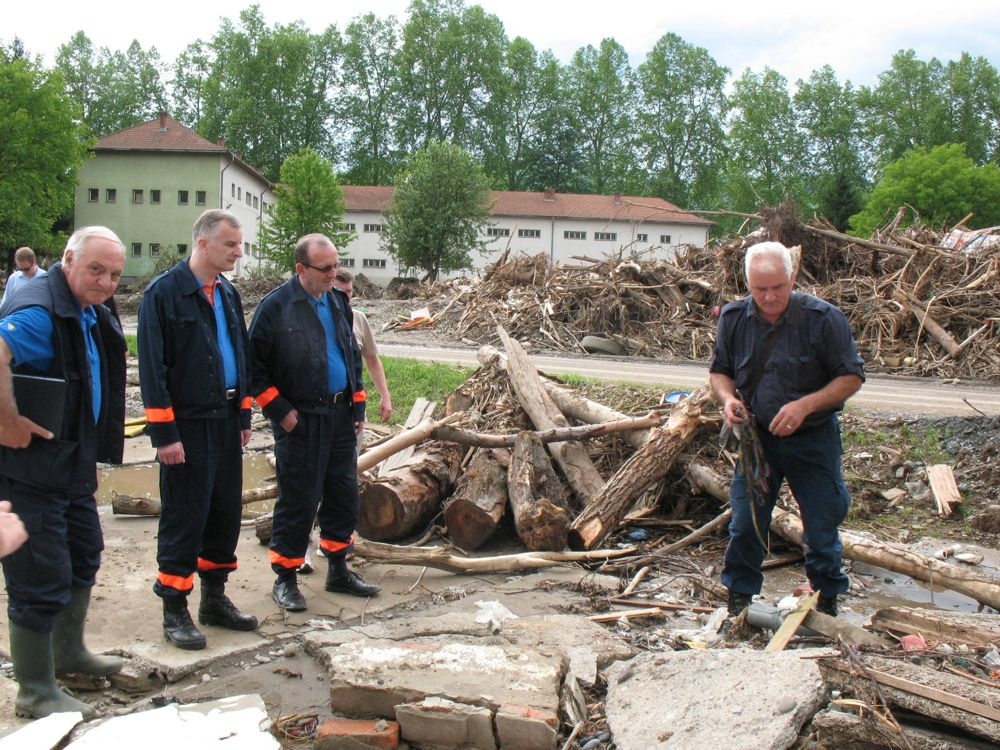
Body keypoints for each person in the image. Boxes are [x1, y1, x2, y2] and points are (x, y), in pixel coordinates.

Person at [0, 227, 127, 720]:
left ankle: (69, 655)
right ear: (69, 259)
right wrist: (6, 420)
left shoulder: (84, 306)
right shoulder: (38, 308)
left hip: (69, 461)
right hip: (30, 470)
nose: (106, 281)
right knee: (39, 573)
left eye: (114, 274)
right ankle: (34, 689)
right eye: (96, 269)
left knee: (82, 553)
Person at [709, 241, 864, 622]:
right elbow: (719, 372)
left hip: (812, 441)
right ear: (747, 283)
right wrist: (728, 400)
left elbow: (852, 377)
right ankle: (740, 601)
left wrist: (805, 405)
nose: (769, 296)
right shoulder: (733, 319)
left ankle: (827, 599)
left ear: (791, 277)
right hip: (757, 441)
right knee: (745, 524)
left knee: (821, 523)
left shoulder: (824, 319)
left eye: (778, 287)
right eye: (760, 289)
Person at [138, 209, 258, 650]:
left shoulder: (227, 293)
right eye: (230, 244)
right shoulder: (165, 294)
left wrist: (243, 418)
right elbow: (153, 370)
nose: (238, 252)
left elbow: (240, 358)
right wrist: (165, 435)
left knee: (224, 512)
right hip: (186, 425)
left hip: (226, 422)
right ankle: (175, 607)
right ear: (203, 243)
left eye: (239, 244)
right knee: (185, 515)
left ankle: (214, 599)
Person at [249, 233, 380, 612]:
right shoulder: (276, 307)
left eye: (336, 265)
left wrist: (357, 408)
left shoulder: (338, 302)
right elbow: (253, 367)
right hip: (301, 420)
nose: (333, 274)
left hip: (339, 418)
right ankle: (286, 578)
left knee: (342, 495)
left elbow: (352, 359)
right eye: (325, 268)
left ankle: (338, 569)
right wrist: (281, 411)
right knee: (299, 500)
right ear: (300, 269)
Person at [333, 269, 393, 425]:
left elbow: (372, 361)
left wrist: (385, 397)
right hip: (326, 408)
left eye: (349, 291)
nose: (345, 296)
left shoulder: (358, 319)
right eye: (340, 291)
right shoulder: (320, 319)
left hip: (353, 407)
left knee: (354, 449)